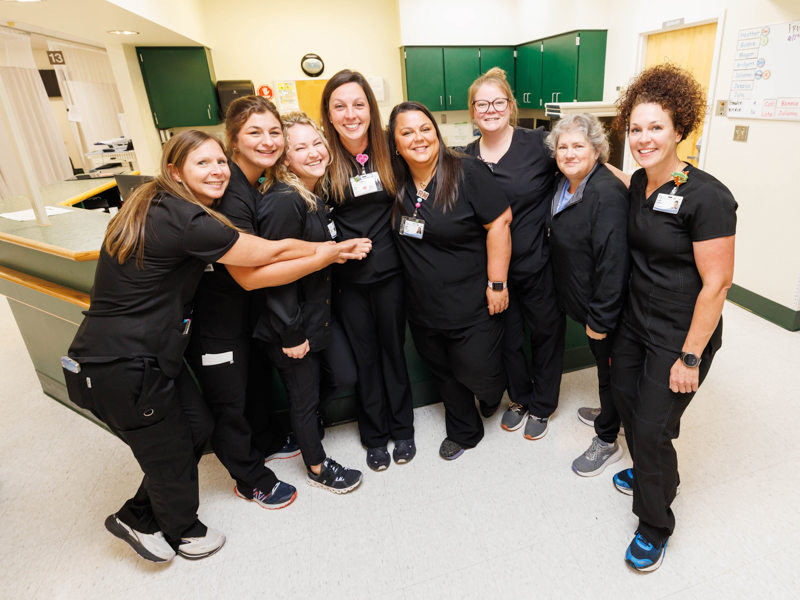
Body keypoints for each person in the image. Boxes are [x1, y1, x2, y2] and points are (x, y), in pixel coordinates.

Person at [63, 130, 368, 563]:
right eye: (202, 163)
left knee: (195, 427)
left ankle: (136, 514)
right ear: (175, 170)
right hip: (120, 364)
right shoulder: (185, 219)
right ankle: (183, 531)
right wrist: (328, 252)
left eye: (219, 162)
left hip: (146, 357)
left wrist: (322, 249)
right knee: (170, 451)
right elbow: (263, 254)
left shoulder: (157, 202)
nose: (217, 170)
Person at [185, 96, 370, 509]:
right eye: (256, 133)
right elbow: (257, 276)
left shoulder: (282, 191)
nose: (267, 142)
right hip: (239, 319)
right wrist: (291, 327)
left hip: (271, 317)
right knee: (241, 402)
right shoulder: (269, 197)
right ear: (233, 141)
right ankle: (302, 469)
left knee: (293, 389)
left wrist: (334, 251)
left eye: (274, 133)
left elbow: (282, 252)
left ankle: (278, 439)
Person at [610, 63, 736, 571]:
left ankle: (655, 522)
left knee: (651, 425)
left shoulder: (708, 196)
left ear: (680, 127)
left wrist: (690, 355)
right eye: (636, 128)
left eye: (656, 126)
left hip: (682, 333)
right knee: (626, 400)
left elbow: (718, 283)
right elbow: (625, 184)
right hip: (637, 322)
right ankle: (654, 469)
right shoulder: (641, 182)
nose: (644, 138)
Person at [388, 101, 512, 460]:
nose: (419, 137)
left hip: (471, 298)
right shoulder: (395, 180)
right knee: (444, 371)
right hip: (423, 304)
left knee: (478, 371)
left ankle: (491, 393)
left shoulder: (465, 171)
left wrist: (497, 283)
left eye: (425, 128)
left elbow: (500, 223)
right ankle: (464, 430)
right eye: (407, 132)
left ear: (437, 133)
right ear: (395, 143)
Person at [253, 112, 363, 493]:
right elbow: (276, 274)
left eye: (317, 142)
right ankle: (317, 467)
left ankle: (306, 428)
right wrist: (290, 332)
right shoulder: (285, 201)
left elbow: (315, 252)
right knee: (302, 398)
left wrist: (344, 249)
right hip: (293, 322)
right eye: (300, 147)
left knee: (342, 376)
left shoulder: (312, 193)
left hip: (318, 315)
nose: (315, 152)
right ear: (285, 158)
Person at [461, 68, 566, 441]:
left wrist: (635, 186)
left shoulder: (539, 143)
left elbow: (583, 165)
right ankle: (519, 398)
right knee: (508, 339)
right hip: (494, 272)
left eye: (498, 102)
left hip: (537, 262)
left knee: (545, 334)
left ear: (511, 106)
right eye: (482, 104)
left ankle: (543, 403)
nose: (491, 110)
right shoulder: (465, 158)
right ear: (472, 111)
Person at [320, 70, 415, 472]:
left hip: (392, 271)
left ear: (371, 108)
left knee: (393, 351)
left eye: (358, 104)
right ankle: (374, 435)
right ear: (328, 113)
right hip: (348, 279)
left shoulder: (390, 148)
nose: (350, 113)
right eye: (339, 106)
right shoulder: (322, 157)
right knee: (365, 358)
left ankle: (403, 428)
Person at [544, 113, 629, 477]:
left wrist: (600, 318)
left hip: (607, 309)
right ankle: (613, 412)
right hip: (585, 300)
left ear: (597, 150)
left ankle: (607, 438)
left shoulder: (605, 193)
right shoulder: (566, 185)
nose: (569, 153)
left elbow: (614, 262)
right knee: (606, 368)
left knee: (611, 371)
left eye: (579, 146)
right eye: (563, 147)